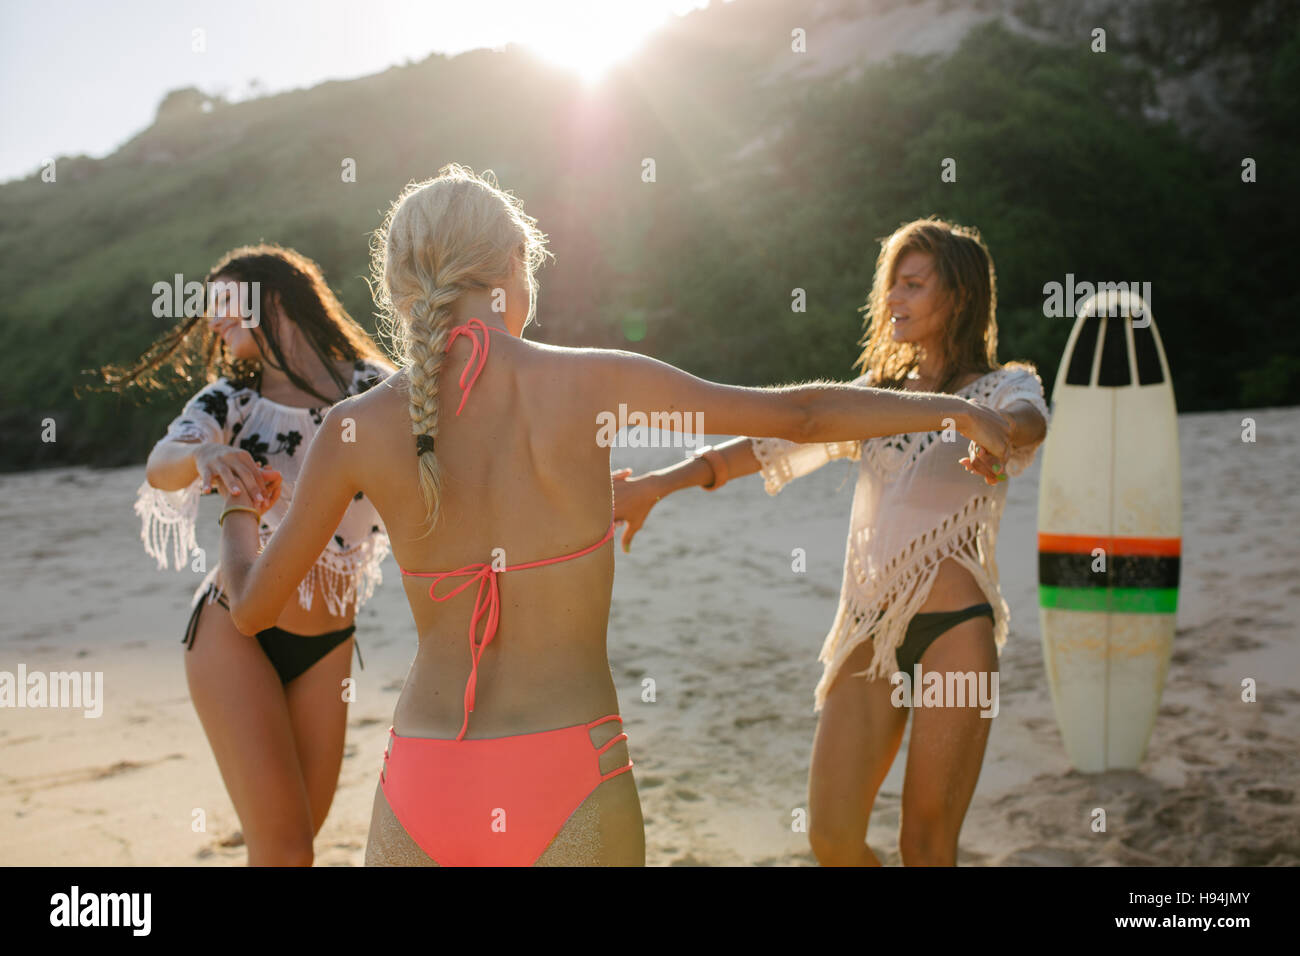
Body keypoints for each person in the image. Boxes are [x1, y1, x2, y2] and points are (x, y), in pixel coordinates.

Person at [213, 168, 1013, 866]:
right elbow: (796, 416)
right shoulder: (591, 382)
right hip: (570, 777)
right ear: (513, 269)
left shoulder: (354, 427)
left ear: (397, 289)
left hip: (422, 781)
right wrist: (956, 412)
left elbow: (250, 611)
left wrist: (238, 513)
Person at [614, 218, 1049, 865]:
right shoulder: (872, 401)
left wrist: (994, 432)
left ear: (956, 296)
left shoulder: (1001, 386)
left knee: (927, 844)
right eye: (891, 286)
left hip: (957, 630)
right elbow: (763, 447)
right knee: (831, 836)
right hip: (868, 634)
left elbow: (1028, 423)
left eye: (912, 285)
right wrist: (656, 484)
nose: (893, 299)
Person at [101, 244, 393, 865]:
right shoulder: (229, 402)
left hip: (331, 642)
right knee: (285, 852)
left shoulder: (375, 391)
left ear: (276, 298)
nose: (212, 321)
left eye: (224, 304)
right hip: (233, 635)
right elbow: (161, 465)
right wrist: (203, 456)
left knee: (295, 849)